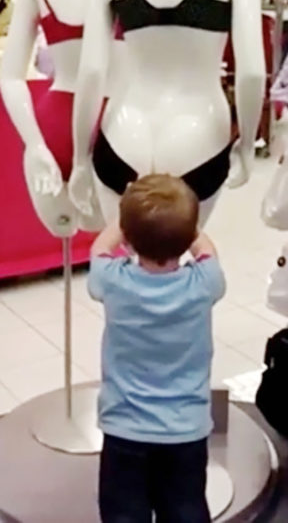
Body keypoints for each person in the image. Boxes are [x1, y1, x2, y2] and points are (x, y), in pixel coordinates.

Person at [87, 174, 226, 523]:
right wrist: (187, 228)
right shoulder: (204, 282)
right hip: (186, 430)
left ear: (129, 241)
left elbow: (99, 248)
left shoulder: (112, 280)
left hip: (124, 428)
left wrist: (127, 219)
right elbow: (208, 251)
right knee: (185, 509)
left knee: (123, 513)